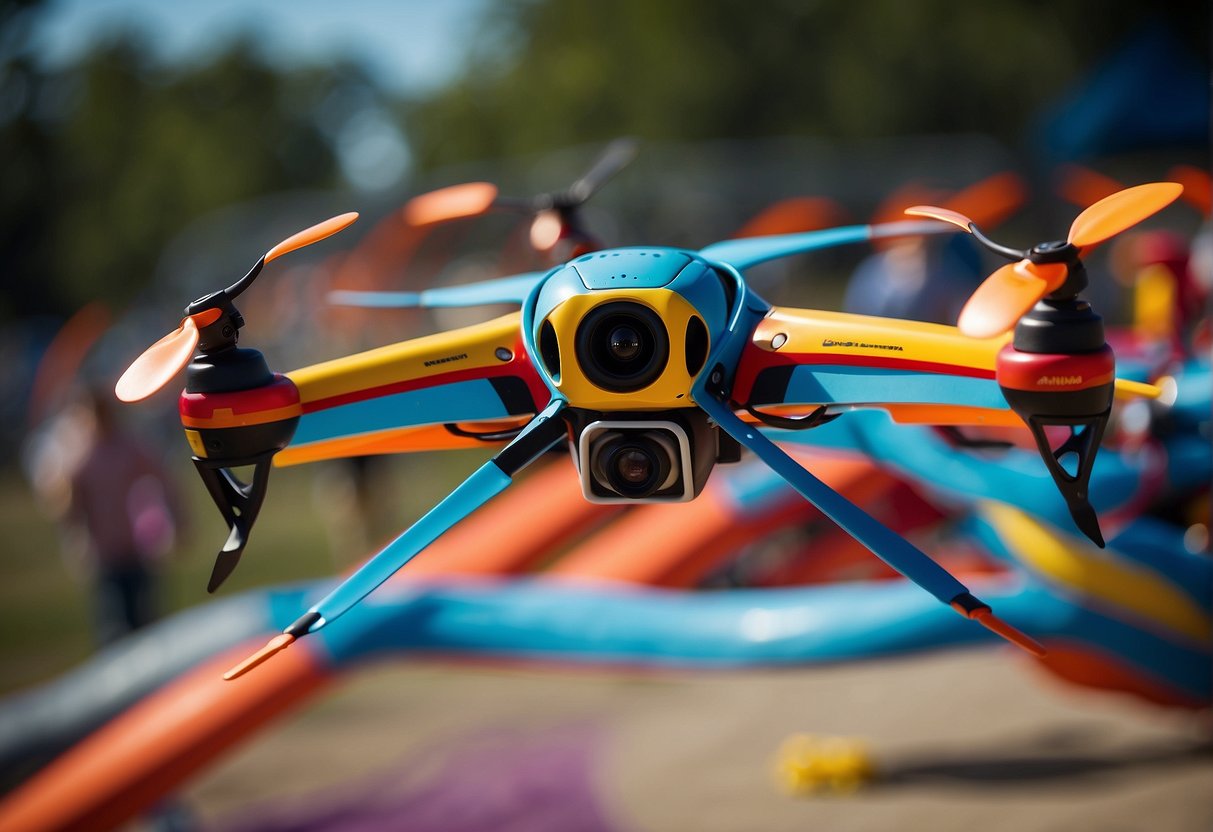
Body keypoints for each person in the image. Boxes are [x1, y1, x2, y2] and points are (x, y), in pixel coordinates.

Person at [61, 387, 185, 645]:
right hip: (105, 555)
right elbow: (71, 509)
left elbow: (163, 478)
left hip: (134, 549)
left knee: (145, 624)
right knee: (114, 630)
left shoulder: (128, 448)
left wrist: (178, 520)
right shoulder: (83, 456)